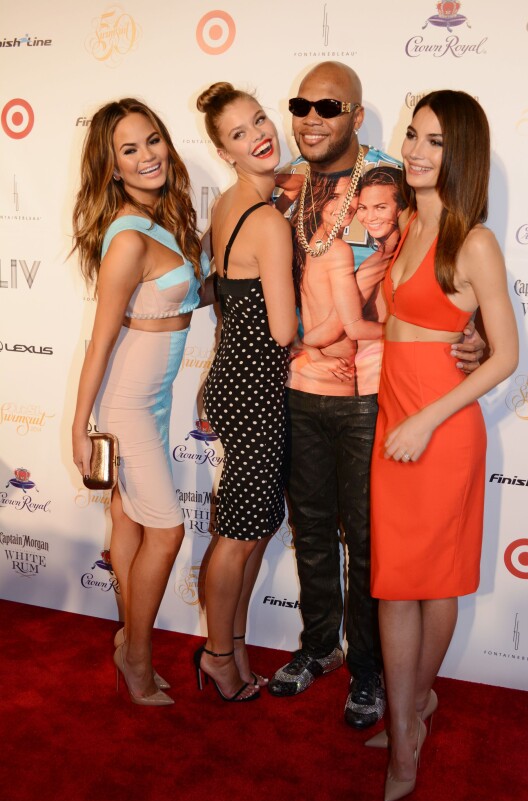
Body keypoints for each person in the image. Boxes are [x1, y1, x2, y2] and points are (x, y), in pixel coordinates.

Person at [268, 62, 485, 730]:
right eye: (301, 104)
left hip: (375, 394)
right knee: (309, 530)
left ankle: (368, 672)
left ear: (357, 116)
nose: (312, 117)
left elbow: (446, 263)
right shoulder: (282, 185)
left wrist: (470, 332)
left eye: (328, 106)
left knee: (370, 545)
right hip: (301, 384)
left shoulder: (398, 179)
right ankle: (316, 648)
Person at [368, 90, 518, 801]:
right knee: (395, 584)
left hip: (441, 426)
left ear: (463, 154)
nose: (418, 151)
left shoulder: (474, 239)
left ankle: (407, 733)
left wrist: (430, 418)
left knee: (432, 583)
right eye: (414, 135)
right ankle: (409, 713)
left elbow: (505, 355)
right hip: (393, 417)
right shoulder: (402, 226)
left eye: (436, 142)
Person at [71, 98, 209, 705]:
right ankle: (138, 656)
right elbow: (101, 340)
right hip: (127, 404)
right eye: (130, 149)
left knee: (127, 519)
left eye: (152, 140)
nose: (148, 155)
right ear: (112, 166)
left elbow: (186, 299)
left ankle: (129, 637)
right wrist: (81, 427)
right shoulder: (127, 238)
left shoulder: (164, 217)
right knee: (169, 531)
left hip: (152, 400)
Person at [193, 83, 298, 702]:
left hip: (234, 380)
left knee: (251, 524)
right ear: (224, 150)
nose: (258, 134)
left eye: (258, 119)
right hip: (256, 386)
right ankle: (218, 656)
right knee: (240, 531)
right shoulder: (267, 223)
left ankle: (230, 641)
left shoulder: (232, 204)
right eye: (239, 133)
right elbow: (284, 329)